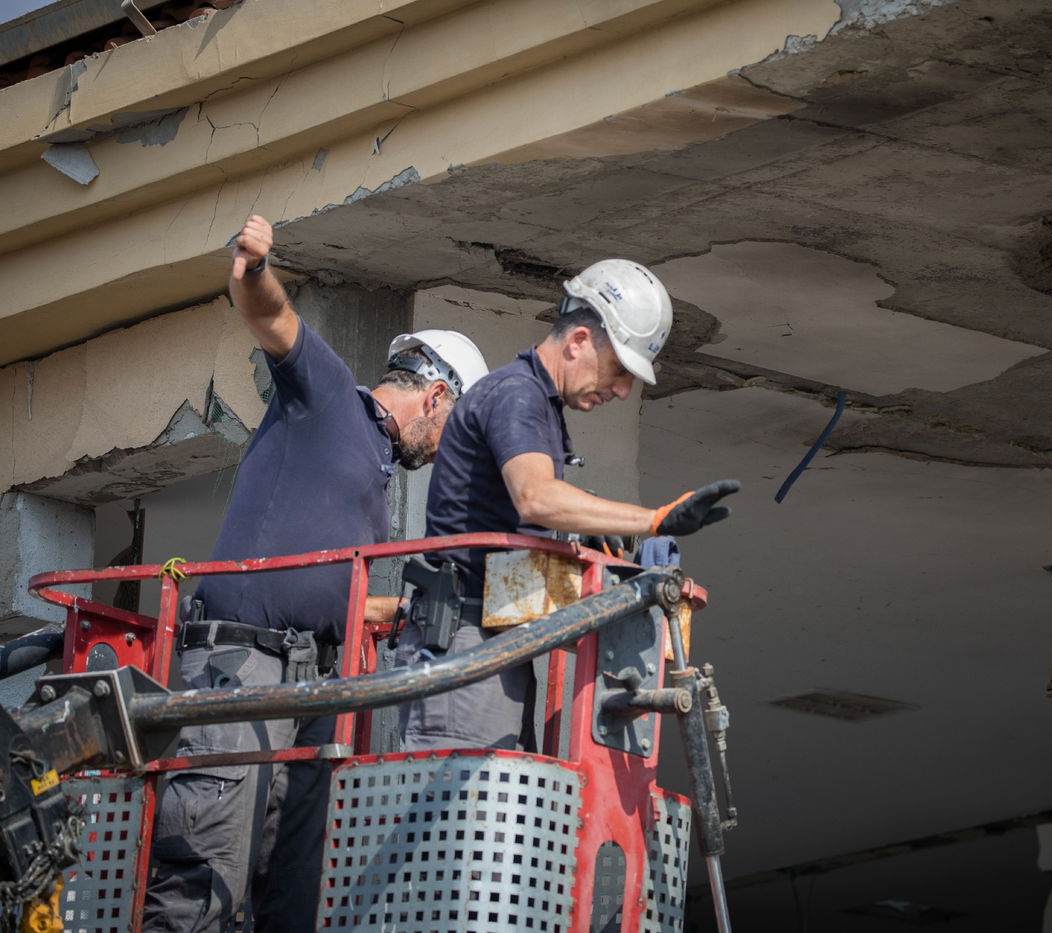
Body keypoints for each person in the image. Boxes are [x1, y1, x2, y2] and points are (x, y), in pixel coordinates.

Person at [142, 215, 489, 933]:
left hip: (312, 684)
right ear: (435, 397)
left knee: (293, 893)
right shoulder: (330, 398)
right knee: (205, 878)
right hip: (244, 671)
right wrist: (254, 268)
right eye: (457, 429)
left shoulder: (374, 476)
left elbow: (330, 596)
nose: (448, 450)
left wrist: (429, 610)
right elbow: (273, 320)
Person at [396, 258, 739, 751]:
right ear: (578, 341)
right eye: (620, 370)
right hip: (465, 642)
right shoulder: (517, 394)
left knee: (502, 795)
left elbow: (516, 512)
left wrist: (580, 535)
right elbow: (535, 497)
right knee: (463, 798)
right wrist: (654, 520)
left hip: (492, 641)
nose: (623, 390)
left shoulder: (534, 403)